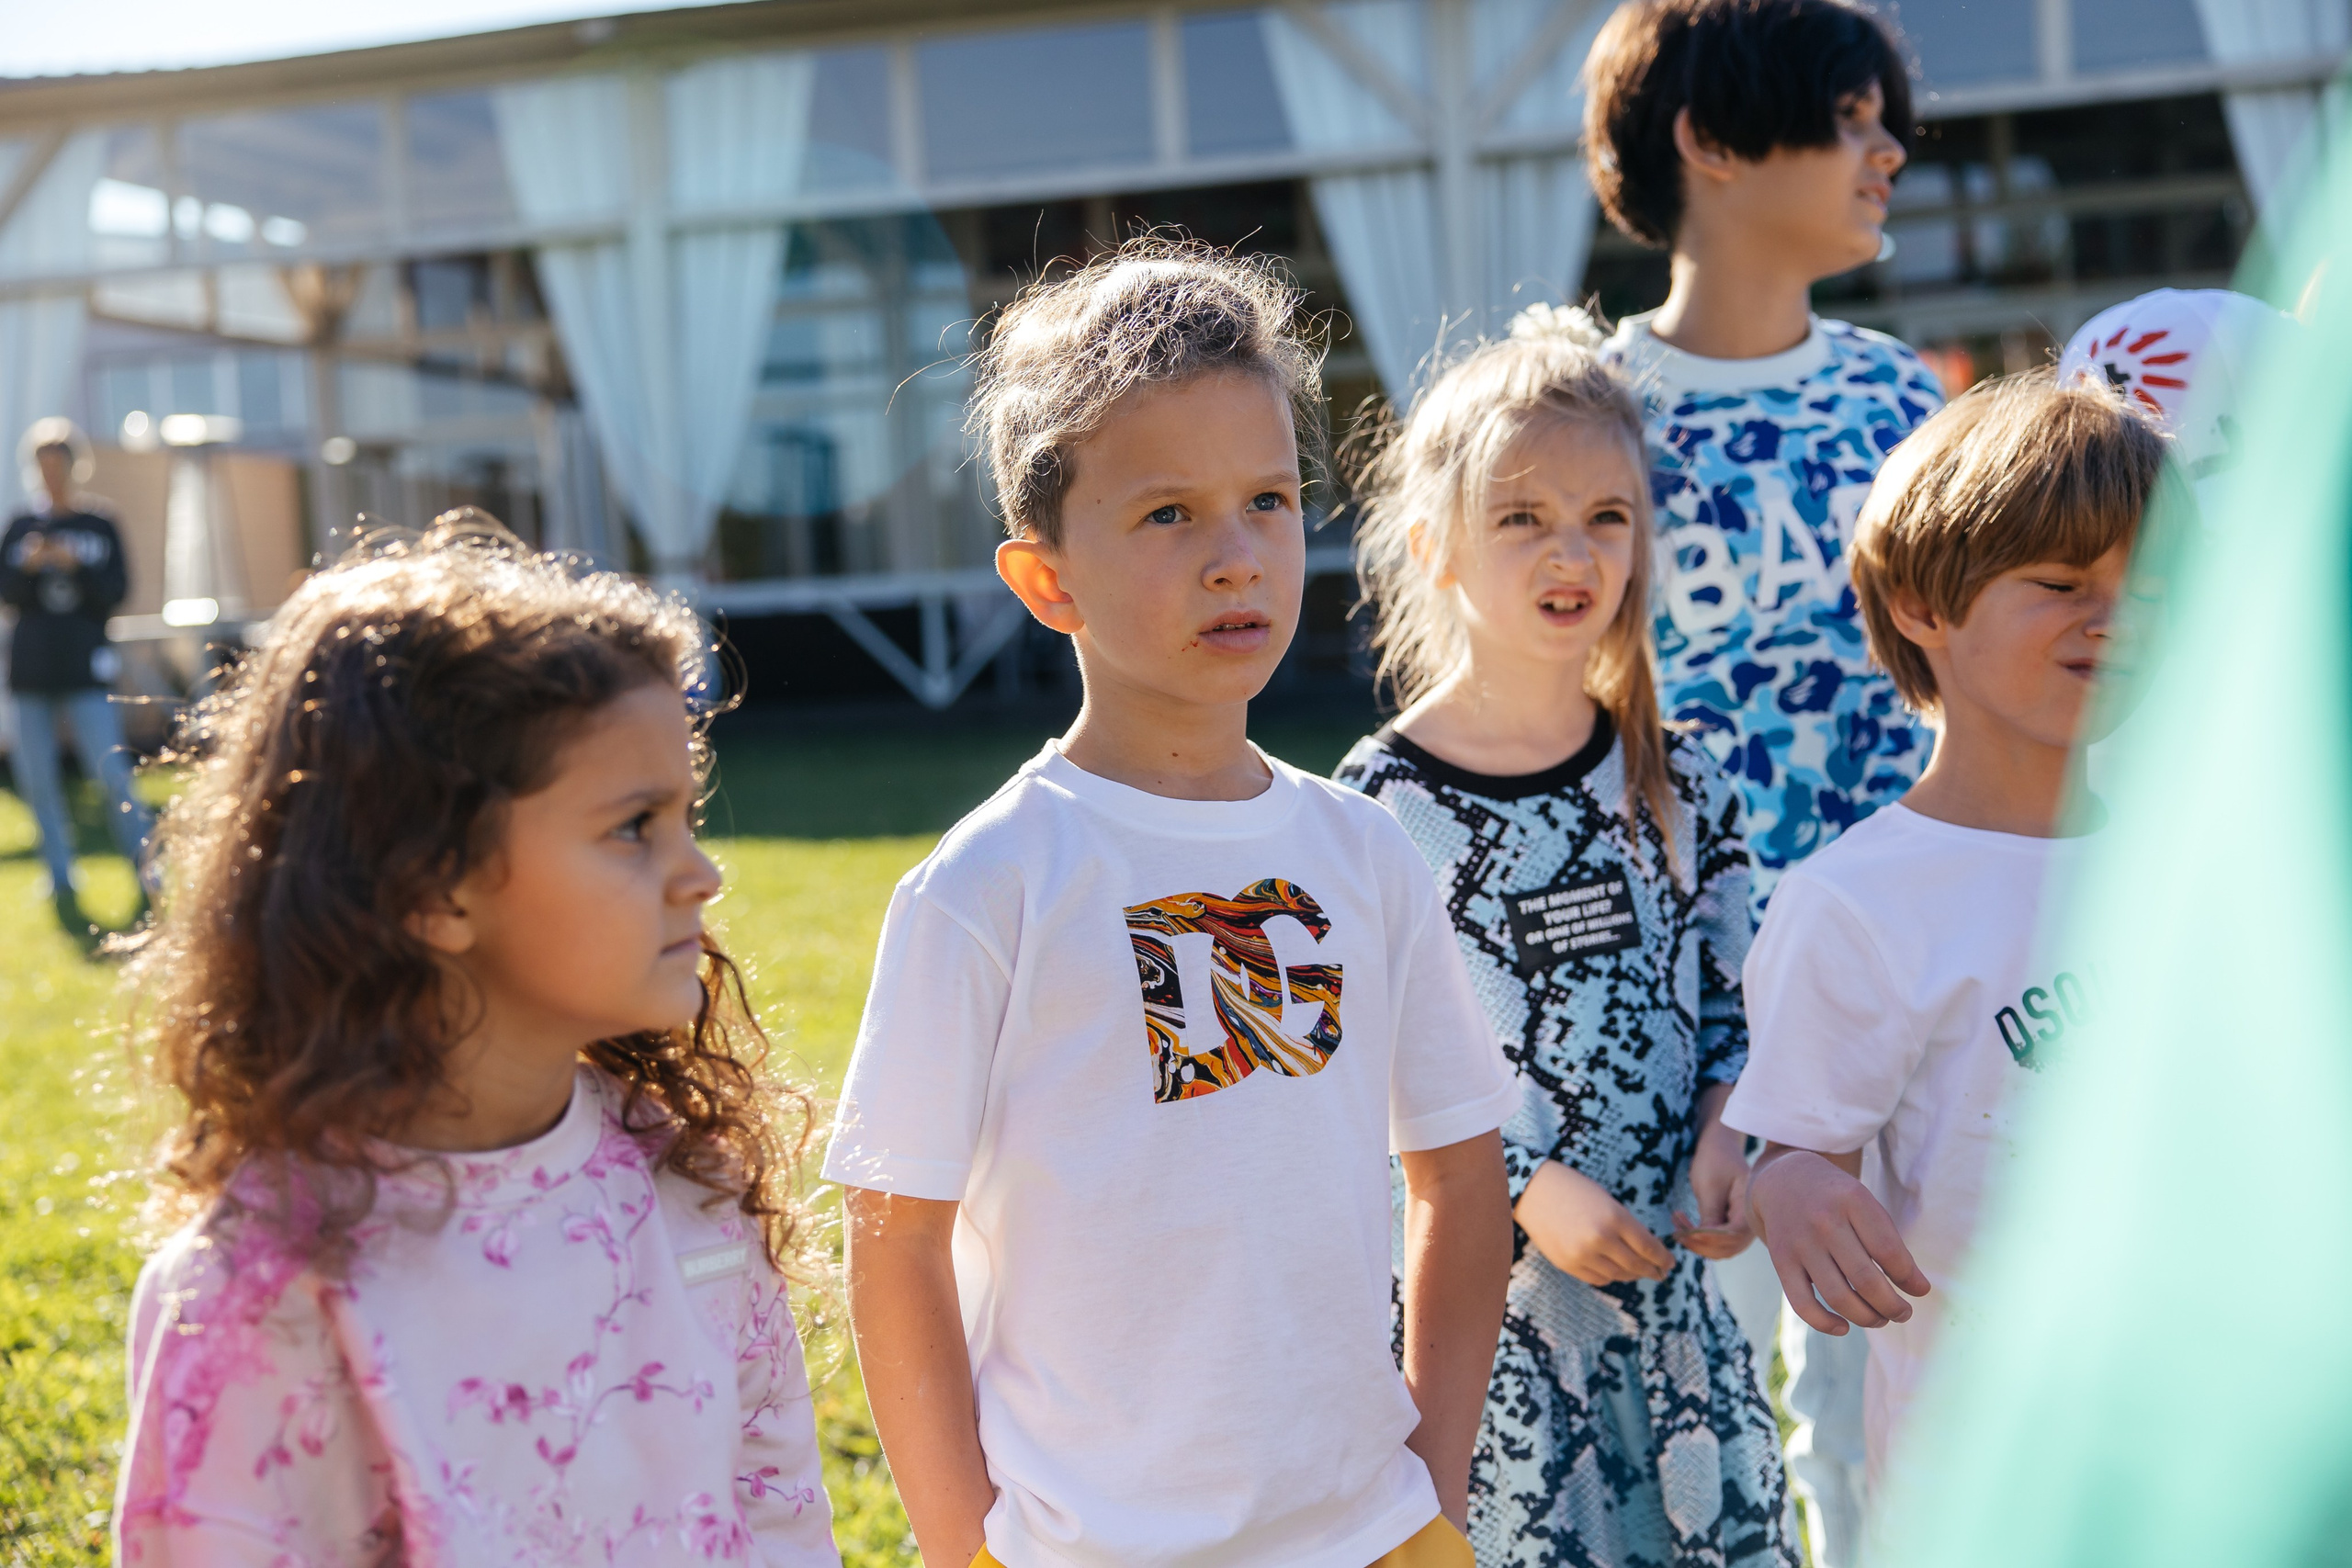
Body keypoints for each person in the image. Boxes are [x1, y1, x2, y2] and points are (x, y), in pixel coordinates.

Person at [824, 240, 1519, 1568]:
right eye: (1167, 514)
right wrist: (965, 1541)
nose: (1235, 554)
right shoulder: (989, 884)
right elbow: (892, 1235)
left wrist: (1431, 1473)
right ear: (1047, 579)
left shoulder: (1366, 852)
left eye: (1267, 498)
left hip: (1372, 1529)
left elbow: (1459, 1168)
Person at [110, 513, 839, 1563]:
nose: (700, 875)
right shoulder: (267, 1293)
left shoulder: (691, 1185)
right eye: (635, 826)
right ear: (429, 887)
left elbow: (777, 1514)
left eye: (692, 817)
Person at [1576, 3, 1946, 1556]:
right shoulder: (1582, 421)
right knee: (1695, 1429)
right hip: (1675, 1012)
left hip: (1897, 994)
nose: (1891, 151)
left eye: (1887, 121)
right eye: (1852, 118)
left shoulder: (1903, 412)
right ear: (1715, 144)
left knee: (1884, 1417)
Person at [1334, 318, 1793, 1567]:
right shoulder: (1378, 809)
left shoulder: (1679, 779)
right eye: (1524, 518)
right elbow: (1365, 1069)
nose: (1571, 551)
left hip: (1669, 1318)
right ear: (1435, 545)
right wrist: (1526, 1183)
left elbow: (1741, 1003)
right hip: (1497, 1339)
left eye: (1605, 516)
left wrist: (1725, 1132)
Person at [1724, 375, 2172, 1510]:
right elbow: (1799, 1154)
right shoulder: (1857, 902)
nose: (2114, 616)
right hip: (1998, 1479)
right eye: (2062, 584)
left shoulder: (2196, 848)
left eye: (2153, 586)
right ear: (1924, 604)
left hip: (2210, 1447)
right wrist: (1793, 1190)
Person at [2, 416, 152, 932]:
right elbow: (5, 593)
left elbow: (117, 590)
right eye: (42, 467)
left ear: (73, 466)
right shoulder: (21, 526)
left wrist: (74, 566)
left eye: (58, 465)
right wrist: (29, 565)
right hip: (31, 673)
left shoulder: (99, 524)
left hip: (86, 670)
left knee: (111, 773)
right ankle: (60, 875)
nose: (51, 475)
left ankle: (147, 867)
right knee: (38, 781)